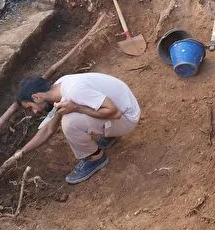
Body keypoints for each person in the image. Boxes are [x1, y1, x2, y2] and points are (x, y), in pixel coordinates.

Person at [12, 73, 140, 184]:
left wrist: (77, 108)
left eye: (30, 108)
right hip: (125, 107)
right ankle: (111, 135)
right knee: (73, 113)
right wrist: (22, 151)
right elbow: (48, 130)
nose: (34, 112)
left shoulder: (74, 91)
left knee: (70, 122)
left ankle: (96, 158)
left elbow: (115, 113)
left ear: (36, 97)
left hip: (127, 118)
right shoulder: (60, 86)